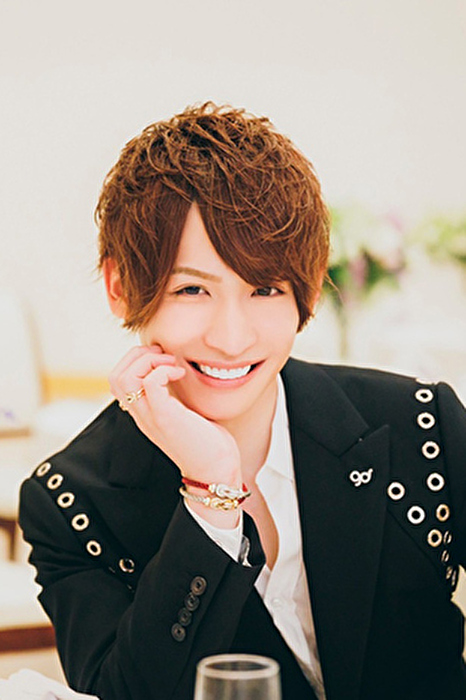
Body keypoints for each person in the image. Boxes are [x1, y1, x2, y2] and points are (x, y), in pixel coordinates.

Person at [19, 102, 466, 700]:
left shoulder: (420, 424)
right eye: (192, 289)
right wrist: (211, 495)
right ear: (120, 287)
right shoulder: (72, 502)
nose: (231, 339)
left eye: (265, 288)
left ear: (307, 290)